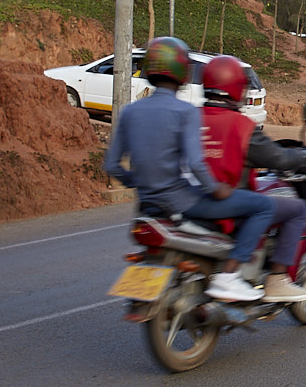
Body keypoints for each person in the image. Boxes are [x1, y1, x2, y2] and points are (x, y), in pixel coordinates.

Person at [104, 37, 273, 302]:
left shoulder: (130, 112)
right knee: (263, 206)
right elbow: (195, 164)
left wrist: (137, 181)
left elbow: (112, 164)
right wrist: (216, 190)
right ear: (183, 72)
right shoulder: (185, 112)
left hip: (147, 208)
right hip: (183, 204)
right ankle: (229, 277)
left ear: (148, 68)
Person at [200, 54, 306, 303]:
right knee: (297, 209)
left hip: (192, 202)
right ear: (238, 87)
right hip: (225, 206)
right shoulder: (240, 126)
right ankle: (277, 280)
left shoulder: (189, 117)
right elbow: (279, 159)